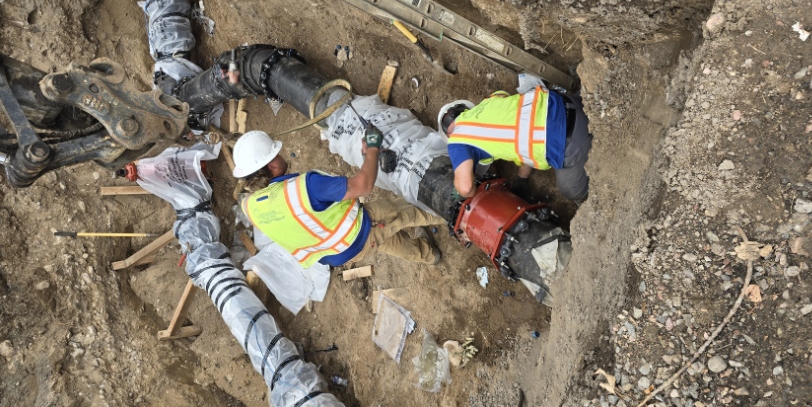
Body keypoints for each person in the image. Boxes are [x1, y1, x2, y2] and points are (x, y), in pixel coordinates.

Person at [234, 128, 443, 268]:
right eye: (276, 154)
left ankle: (428, 255)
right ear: (272, 165)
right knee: (408, 210)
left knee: (385, 240)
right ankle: (457, 213)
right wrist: (372, 148)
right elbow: (363, 185)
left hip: (339, 253)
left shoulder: (251, 207)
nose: (282, 155)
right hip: (358, 233)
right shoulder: (304, 188)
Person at [438, 81, 592, 201]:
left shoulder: (456, 141)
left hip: (570, 140)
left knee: (572, 191)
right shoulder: (489, 102)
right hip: (565, 102)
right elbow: (522, 126)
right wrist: (522, 177)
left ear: (449, 135)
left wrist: (472, 195)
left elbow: (465, 187)